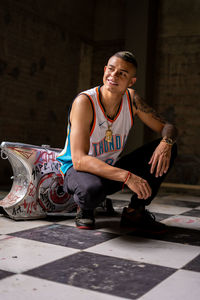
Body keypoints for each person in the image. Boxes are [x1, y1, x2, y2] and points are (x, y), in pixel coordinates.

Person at [57, 51, 177, 234]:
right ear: (105, 70)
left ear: (131, 82)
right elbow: (79, 160)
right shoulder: (85, 102)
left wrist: (166, 142)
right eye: (111, 70)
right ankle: (85, 207)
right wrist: (127, 177)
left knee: (169, 149)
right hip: (78, 170)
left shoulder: (132, 99)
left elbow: (167, 126)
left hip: (110, 169)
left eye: (122, 73)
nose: (114, 76)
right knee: (91, 190)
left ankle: (134, 212)